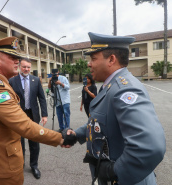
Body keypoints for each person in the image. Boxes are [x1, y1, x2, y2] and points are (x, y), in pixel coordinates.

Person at [65, 32, 166, 185]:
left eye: (93, 58)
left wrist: (114, 172)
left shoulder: (124, 89)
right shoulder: (111, 85)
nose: (89, 64)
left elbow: (150, 147)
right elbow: (102, 122)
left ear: (111, 59)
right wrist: (77, 134)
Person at [0, 36, 64, 185]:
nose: (17, 61)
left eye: (17, 58)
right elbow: (24, 126)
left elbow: (40, 98)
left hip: (0, 156)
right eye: (12, 57)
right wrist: (60, 137)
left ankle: (34, 166)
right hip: (2, 162)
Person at [9, 57, 47, 179]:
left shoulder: (36, 80)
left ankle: (34, 166)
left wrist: (44, 114)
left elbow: (41, 98)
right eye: (24, 66)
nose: (26, 69)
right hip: (18, 116)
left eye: (29, 67)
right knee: (19, 143)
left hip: (33, 115)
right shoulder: (12, 81)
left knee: (34, 142)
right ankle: (20, 165)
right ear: (20, 66)